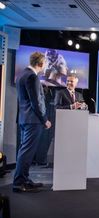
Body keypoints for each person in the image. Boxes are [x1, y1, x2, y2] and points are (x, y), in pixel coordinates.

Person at [14, 52, 52, 192]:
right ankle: (19, 183)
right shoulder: (32, 77)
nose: (46, 67)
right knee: (27, 152)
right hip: (33, 120)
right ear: (41, 64)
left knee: (24, 150)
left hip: (25, 119)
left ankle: (24, 179)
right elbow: (36, 102)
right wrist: (45, 120)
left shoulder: (22, 75)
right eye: (46, 64)